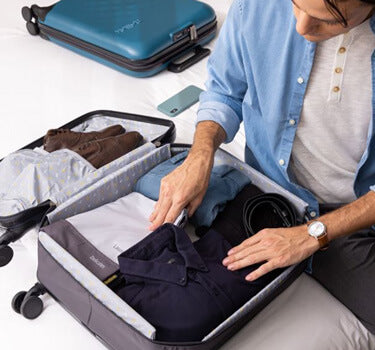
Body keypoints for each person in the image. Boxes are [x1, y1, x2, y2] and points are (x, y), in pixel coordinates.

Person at [150, 0, 375, 334]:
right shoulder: (258, 5)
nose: (300, 27)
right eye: (296, 5)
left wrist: (312, 235)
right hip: (268, 190)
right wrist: (200, 154)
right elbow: (225, 90)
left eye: (327, 21)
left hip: (352, 214)